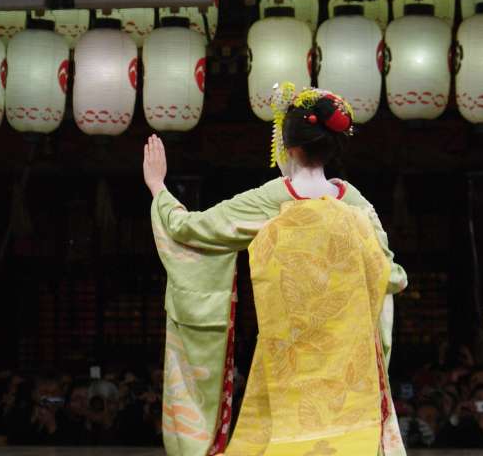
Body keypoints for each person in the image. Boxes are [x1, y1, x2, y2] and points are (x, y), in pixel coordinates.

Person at [143, 83, 408, 456]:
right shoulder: (356, 204)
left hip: (287, 367)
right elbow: (393, 276)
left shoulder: (273, 199)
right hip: (350, 378)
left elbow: (190, 231)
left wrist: (158, 188)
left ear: (289, 145)